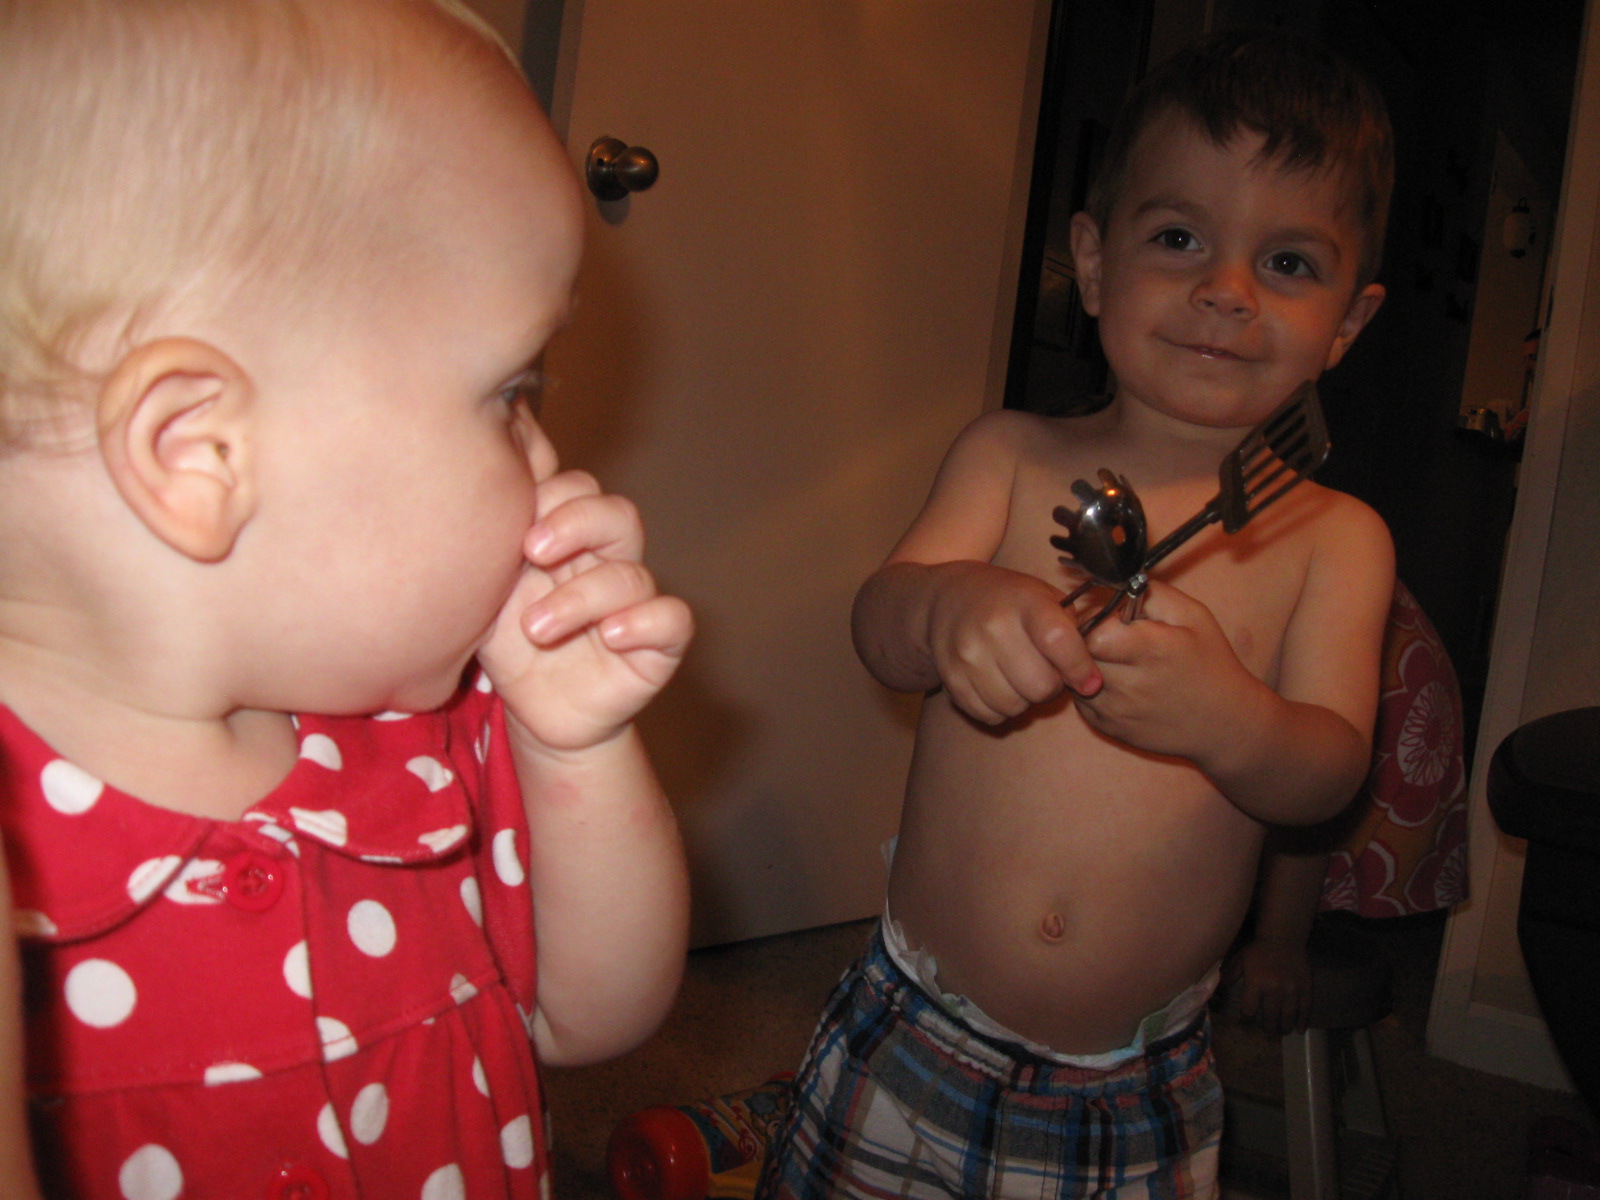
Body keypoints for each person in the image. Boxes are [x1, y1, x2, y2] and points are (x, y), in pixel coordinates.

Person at [0, 1, 693, 1196]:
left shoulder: (422, 730)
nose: (546, 456)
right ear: (199, 454)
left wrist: (574, 744)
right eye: (510, 393)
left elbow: (596, 1018)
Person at [760, 29, 1396, 1200]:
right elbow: (879, 623)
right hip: (912, 1028)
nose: (1226, 289)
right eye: (1179, 238)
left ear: (1346, 327)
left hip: (1133, 1082)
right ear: (1095, 265)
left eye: (1287, 262)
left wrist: (1234, 721)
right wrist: (946, 604)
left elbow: (1325, 775)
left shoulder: (1336, 539)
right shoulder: (1005, 455)